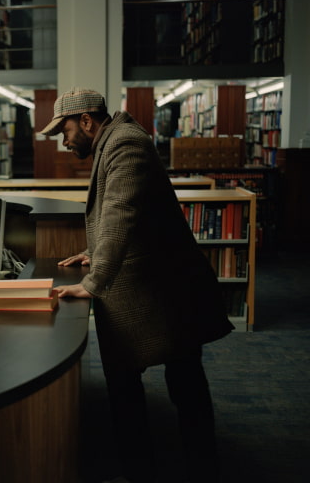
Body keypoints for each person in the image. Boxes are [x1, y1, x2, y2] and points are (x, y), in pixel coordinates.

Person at [39, 88, 234, 483]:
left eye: (65, 130)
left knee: (180, 384)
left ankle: (187, 468)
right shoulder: (113, 141)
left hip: (168, 292)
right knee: (151, 381)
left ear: (87, 121)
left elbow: (121, 212)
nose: (64, 140)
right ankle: (152, 465)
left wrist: (93, 283)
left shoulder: (125, 143)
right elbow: (132, 215)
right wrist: (93, 252)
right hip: (152, 286)